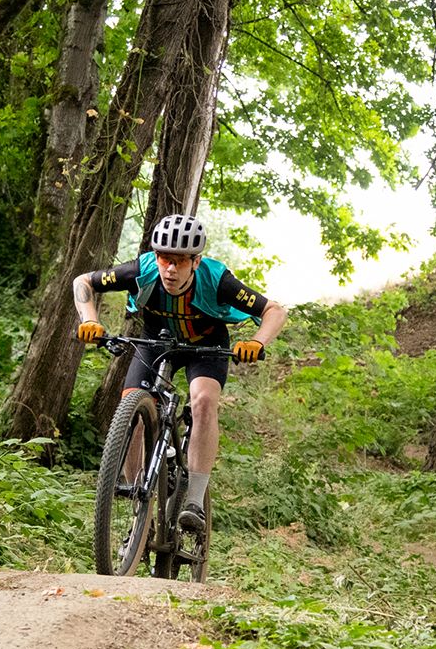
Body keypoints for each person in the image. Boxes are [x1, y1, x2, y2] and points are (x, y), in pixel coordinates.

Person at [72, 214, 287, 532]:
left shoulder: (216, 279)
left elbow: (275, 310)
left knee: (202, 401)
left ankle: (194, 502)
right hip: (155, 342)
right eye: (165, 259)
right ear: (156, 256)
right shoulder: (142, 270)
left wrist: (256, 342)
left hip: (206, 346)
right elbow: (83, 282)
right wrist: (89, 319)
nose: (171, 269)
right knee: (131, 404)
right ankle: (139, 501)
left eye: (181, 262)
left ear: (196, 261)